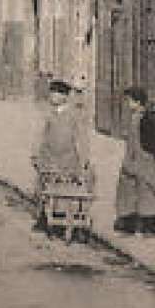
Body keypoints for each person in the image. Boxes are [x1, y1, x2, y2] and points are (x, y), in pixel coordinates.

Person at [31, 79, 93, 230]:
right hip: (48, 158)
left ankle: (64, 219)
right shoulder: (49, 115)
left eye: (55, 94)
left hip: (67, 160)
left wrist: (84, 159)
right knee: (42, 189)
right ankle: (43, 218)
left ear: (64, 97)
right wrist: (35, 154)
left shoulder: (73, 116)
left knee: (64, 190)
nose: (52, 97)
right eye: (51, 94)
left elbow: (81, 138)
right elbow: (41, 136)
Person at [114, 86, 155, 237]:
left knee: (148, 194)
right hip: (131, 161)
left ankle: (149, 228)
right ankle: (129, 225)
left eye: (130, 101)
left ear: (138, 102)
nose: (128, 104)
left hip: (145, 161)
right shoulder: (133, 117)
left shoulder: (148, 119)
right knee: (127, 192)